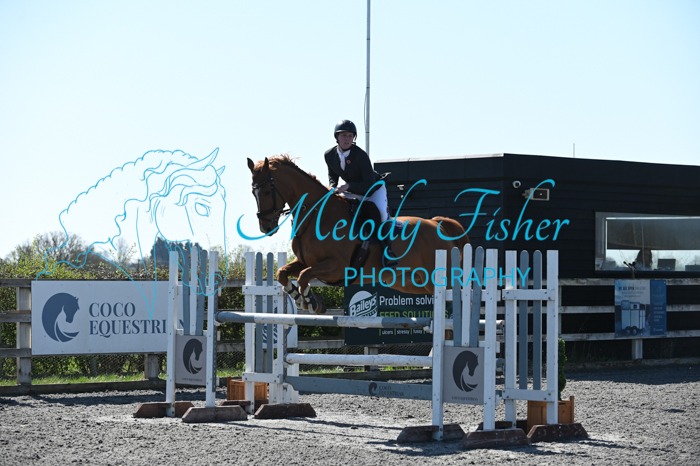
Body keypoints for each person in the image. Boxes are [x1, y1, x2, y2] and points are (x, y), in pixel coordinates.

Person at [324, 119, 397, 266]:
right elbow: (333, 174)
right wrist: (332, 186)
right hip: (352, 190)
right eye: (343, 135)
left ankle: (388, 251)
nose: (347, 139)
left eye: (350, 136)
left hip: (373, 190)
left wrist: (348, 186)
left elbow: (368, 184)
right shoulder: (329, 154)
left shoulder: (361, 155)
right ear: (337, 137)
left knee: (381, 215)